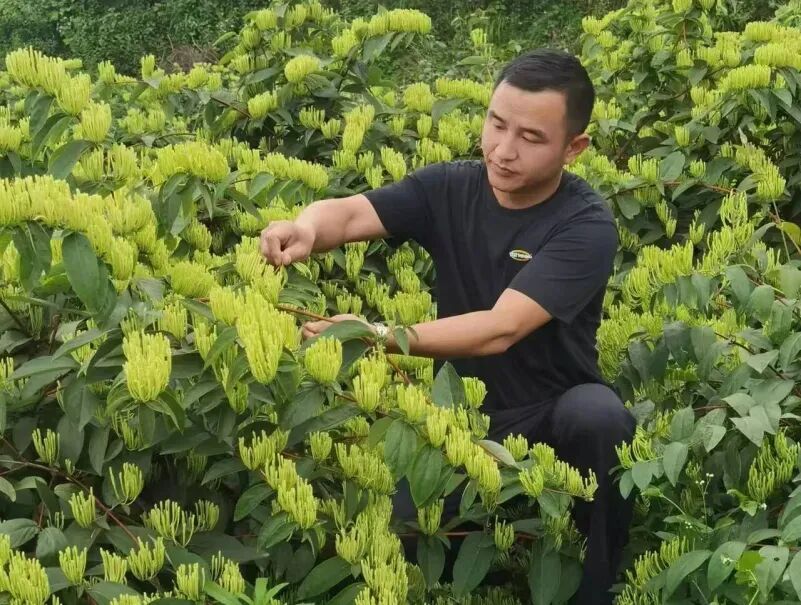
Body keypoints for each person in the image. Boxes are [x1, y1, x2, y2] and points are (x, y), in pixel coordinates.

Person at [260, 48, 636, 605]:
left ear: (573, 148)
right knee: (403, 538)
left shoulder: (586, 224)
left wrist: (378, 337)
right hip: (459, 419)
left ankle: (598, 585)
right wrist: (306, 228)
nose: (503, 150)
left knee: (600, 416)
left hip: (554, 415)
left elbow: (500, 328)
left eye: (531, 138)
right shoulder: (449, 188)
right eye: (496, 124)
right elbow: (351, 212)